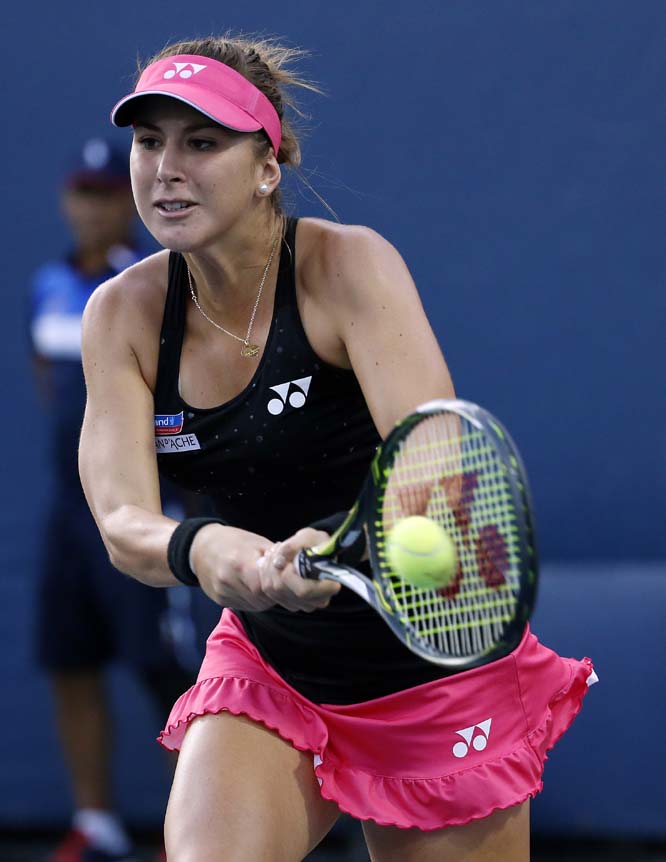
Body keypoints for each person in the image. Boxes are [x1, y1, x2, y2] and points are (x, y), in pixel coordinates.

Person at [78, 35, 596, 862]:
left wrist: (345, 535)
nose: (166, 167)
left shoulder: (347, 267)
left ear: (266, 165)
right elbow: (122, 520)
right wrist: (205, 547)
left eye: (202, 143)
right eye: (150, 141)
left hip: (433, 664)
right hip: (273, 662)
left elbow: (434, 460)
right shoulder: (121, 317)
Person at [29, 138, 196, 862]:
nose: (89, 207)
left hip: (144, 511)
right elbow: (53, 385)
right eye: (80, 192)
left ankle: (194, 833)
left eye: (103, 192)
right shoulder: (47, 284)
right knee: (69, 659)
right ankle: (95, 822)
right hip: (69, 515)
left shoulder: (151, 285)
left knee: (164, 674)